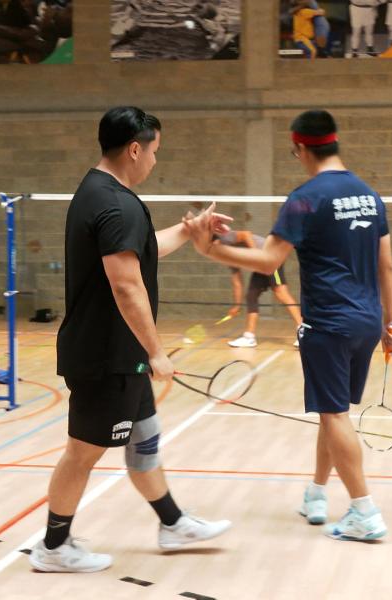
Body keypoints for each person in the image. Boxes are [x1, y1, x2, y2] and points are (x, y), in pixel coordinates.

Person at [30, 106, 232, 574]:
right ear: (135, 149)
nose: (155, 161)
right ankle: (53, 547)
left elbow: (139, 252)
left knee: (144, 436)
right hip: (106, 357)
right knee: (82, 453)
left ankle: (173, 524)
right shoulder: (116, 204)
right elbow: (126, 285)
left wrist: (188, 229)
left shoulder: (99, 192)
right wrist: (157, 351)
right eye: (155, 151)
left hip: (121, 354)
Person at [185, 109, 392, 542]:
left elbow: (268, 261)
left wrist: (209, 249)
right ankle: (316, 494)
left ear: (300, 148)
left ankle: (364, 511)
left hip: (328, 323)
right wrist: (390, 323)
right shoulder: (370, 195)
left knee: (334, 414)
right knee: (333, 411)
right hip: (367, 320)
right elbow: (387, 267)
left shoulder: (304, 198)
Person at [216, 230, 304, 349]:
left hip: (272, 258)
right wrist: (237, 305)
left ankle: (303, 331)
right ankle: (249, 337)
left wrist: (256, 255)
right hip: (261, 265)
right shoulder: (226, 255)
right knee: (251, 296)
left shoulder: (226, 237)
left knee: (280, 292)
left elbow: (246, 234)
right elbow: (237, 282)